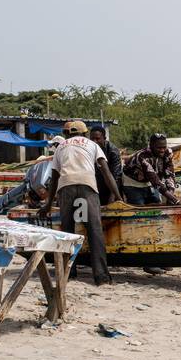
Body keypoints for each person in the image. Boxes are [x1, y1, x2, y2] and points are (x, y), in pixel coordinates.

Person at [38, 120, 122, 286]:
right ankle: (101, 277)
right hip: (87, 184)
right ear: (84, 134)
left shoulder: (60, 147)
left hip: (66, 186)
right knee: (94, 231)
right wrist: (118, 197)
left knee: (67, 232)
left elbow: (54, 179)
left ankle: (69, 273)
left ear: (67, 134)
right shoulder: (92, 144)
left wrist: (47, 205)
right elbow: (106, 172)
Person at [0, 136, 63, 217]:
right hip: (40, 190)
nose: (52, 148)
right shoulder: (46, 160)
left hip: (57, 192)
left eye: (54, 145)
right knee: (22, 191)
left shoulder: (62, 160)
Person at [121, 134, 180, 206]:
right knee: (139, 209)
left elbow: (169, 174)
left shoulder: (168, 153)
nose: (162, 150)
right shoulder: (142, 156)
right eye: (159, 148)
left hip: (149, 183)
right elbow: (154, 179)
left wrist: (171, 192)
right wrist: (175, 200)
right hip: (133, 183)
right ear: (151, 146)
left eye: (164, 147)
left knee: (157, 204)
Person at [89, 125, 123, 206]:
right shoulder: (88, 149)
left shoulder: (112, 151)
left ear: (104, 138)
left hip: (111, 186)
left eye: (97, 139)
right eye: (92, 139)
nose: (95, 142)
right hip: (94, 186)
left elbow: (116, 175)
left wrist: (113, 196)